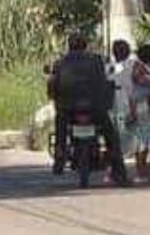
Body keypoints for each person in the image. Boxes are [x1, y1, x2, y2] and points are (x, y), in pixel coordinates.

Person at [47, 32, 129, 185]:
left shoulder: (60, 63)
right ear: (85, 46)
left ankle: (59, 157)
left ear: (69, 46)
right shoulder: (96, 60)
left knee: (61, 128)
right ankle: (120, 171)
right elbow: (106, 80)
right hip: (95, 108)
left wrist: (55, 98)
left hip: (68, 108)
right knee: (111, 137)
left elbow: (52, 85)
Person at [129, 44, 150, 182]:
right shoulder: (138, 67)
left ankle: (146, 170)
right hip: (141, 106)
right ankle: (142, 172)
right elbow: (140, 81)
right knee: (143, 143)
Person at [108, 39, 135, 167]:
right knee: (123, 126)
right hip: (122, 97)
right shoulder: (131, 66)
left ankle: (119, 152)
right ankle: (121, 153)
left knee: (119, 126)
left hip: (114, 98)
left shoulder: (109, 67)